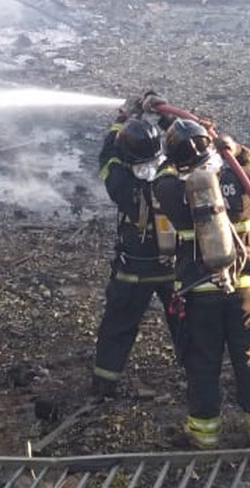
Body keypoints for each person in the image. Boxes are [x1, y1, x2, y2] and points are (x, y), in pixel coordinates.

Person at [151, 116, 250, 448]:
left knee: (202, 364)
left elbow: (161, 175)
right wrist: (235, 149)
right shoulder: (242, 182)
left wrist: (173, 150)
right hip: (245, 289)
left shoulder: (171, 190)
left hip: (198, 293)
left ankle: (205, 436)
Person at [91, 94, 180, 398]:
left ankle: (104, 383)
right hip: (175, 270)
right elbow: (189, 142)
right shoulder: (175, 174)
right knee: (187, 327)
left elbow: (108, 155)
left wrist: (121, 119)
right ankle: (198, 377)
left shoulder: (121, 183)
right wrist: (167, 116)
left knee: (117, 327)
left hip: (133, 271)